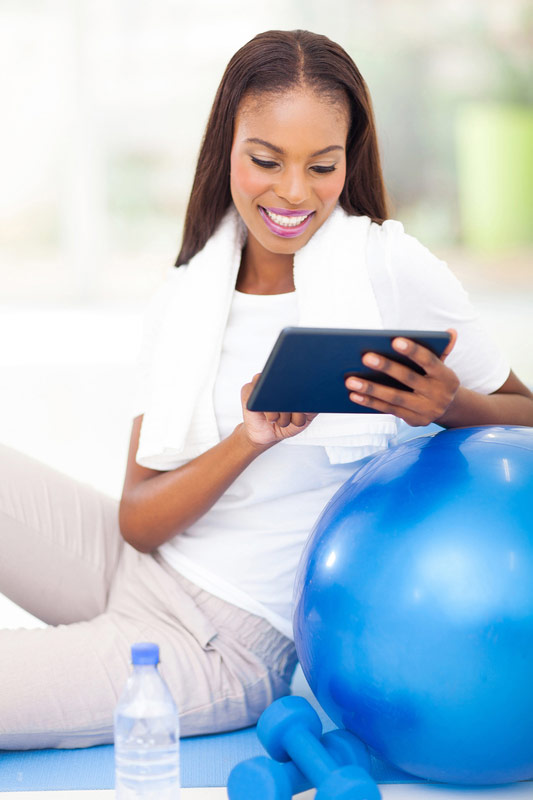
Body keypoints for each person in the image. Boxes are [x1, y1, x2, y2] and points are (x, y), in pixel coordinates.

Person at [1, 29, 532, 751]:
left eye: (321, 166)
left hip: (218, 643)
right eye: (265, 160)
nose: (292, 192)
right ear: (228, 147)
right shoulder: (190, 291)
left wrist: (452, 408)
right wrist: (246, 437)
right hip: (135, 564)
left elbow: (524, 415)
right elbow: (139, 520)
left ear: (350, 159)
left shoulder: (389, 270)